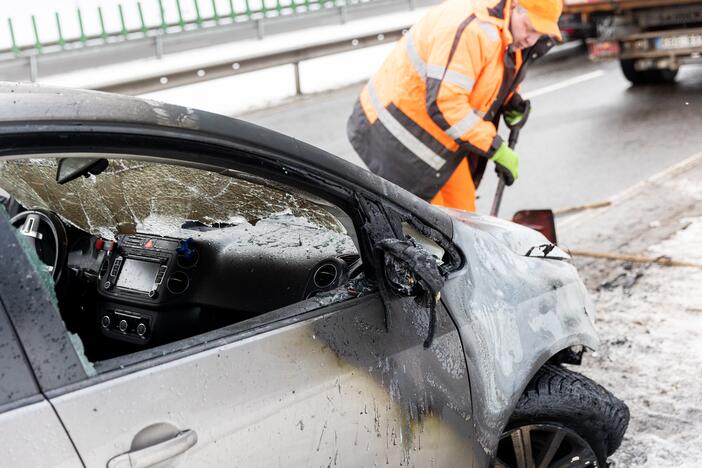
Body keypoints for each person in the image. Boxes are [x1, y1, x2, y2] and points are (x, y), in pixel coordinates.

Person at [347, 0, 562, 212]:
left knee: (463, 220)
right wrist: (495, 147)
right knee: (431, 231)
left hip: (440, 138)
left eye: (540, 34)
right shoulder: (473, 29)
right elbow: (445, 103)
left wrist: (510, 100)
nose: (531, 39)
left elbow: (490, 72)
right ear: (514, 5)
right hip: (399, 135)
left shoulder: (507, 32)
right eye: (530, 28)